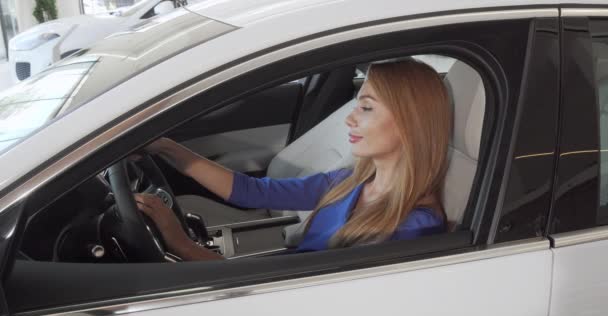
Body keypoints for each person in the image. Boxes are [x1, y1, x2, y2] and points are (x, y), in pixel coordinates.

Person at [135, 58, 453, 261]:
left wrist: (181, 244)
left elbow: (305, 299)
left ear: (411, 122)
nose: (350, 120)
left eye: (366, 108)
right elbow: (252, 192)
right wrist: (167, 148)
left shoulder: (411, 228)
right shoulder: (347, 183)